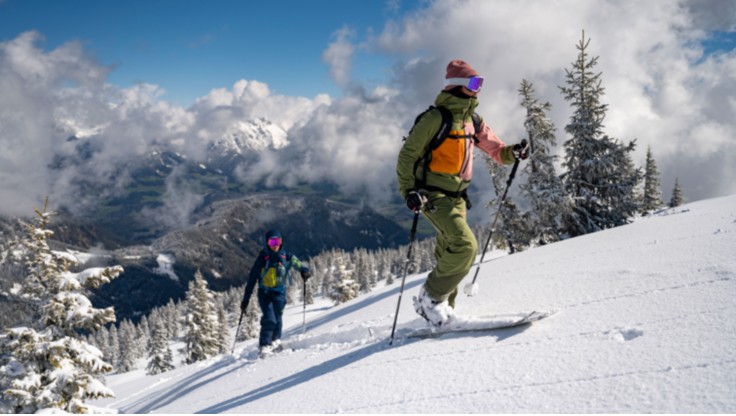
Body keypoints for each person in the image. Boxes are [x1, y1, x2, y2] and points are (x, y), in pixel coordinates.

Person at [396, 59, 528, 326]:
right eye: (474, 83)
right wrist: (409, 191)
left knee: (448, 252)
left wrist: (512, 153)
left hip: (458, 198)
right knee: (466, 248)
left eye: (480, 83)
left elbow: (496, 150)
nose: (479, 89)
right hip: (433, 196)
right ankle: (430, 298)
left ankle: (443, 312)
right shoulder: (435, 118)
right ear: (458, 86)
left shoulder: (473, 121)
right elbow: (407, 155)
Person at [240, 229, 311, 356]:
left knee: (278, 318)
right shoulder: (262, 260)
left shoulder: (286, 256)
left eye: (277, 241)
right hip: (265, 294)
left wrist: (304, 271)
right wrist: (245, 299)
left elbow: (299, 264)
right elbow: (251, 280)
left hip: (280, 293)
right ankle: (264, 345)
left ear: (281, 241)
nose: (275, 245)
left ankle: (275, 341)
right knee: (270, 318)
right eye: (272, 241)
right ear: (267, 243)